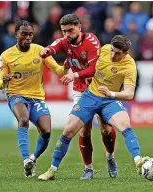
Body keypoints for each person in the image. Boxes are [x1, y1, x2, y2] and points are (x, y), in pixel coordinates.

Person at [38, 35, 150, 181]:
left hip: (109, 100)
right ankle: (52, 170)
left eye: (117, 53)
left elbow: (129, 94)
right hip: (90, 96)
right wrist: (71, 62)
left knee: (121, 126)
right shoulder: (103, 50)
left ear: (126, 53)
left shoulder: (129, 66)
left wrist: (111, 93)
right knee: (69, 130)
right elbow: (87, 61)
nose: (112, 55)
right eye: (112, 51)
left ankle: (136, 161)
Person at [40, 14, 117, 180]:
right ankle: (88, 168)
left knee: (106, 129)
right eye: (64, 31)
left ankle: (110, 157)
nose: (67, 34)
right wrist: (46, 51)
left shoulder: (91, 41)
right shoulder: (64, 42)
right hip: (81, 91)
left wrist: (73, 75)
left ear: (79, 27)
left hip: (99, 88)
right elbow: (52, 48)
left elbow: (93, 70)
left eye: (70, 30)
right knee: (84, 128)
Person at [0, 20, 68, 177]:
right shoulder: (6, 56)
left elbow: (59, 70)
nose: (28, 37)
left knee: (47, 131)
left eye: (30, 34)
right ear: (16, 35)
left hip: (36, 97)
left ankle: (32, 158)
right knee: (23, 120)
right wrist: (5, 80)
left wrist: (68, 65)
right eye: (24, 34)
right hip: (15, 94)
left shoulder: (40, 51)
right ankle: (25, 160)